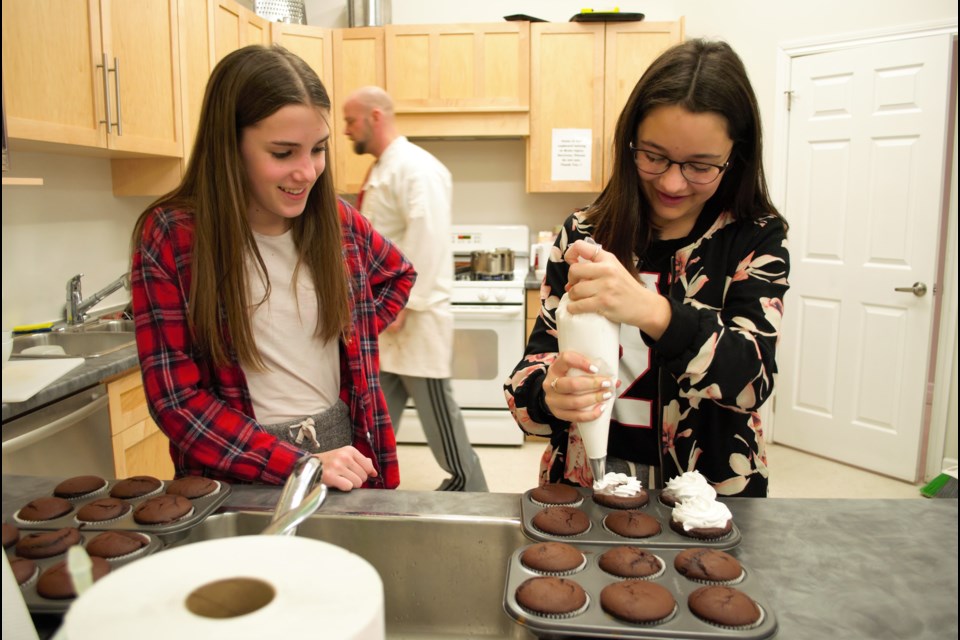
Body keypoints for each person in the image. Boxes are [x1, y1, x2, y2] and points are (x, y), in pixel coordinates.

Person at [504, 39, 790, 497]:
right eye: (653, 156)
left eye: (700, 166)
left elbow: (750, 382)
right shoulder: (583, 233)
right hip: (585, 482)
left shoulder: (755, 237)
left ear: (735, 157)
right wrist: (547, 394)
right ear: (629, 142)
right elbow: (529, 380)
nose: (673, 182)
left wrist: (653, 312)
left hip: (712, 490)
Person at [130, 45, 416, 492]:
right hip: (236, 469)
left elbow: (398, 274)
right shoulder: (174, 234)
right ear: (230, 145)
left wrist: (350, 338)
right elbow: (176, 401)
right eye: (283, 153)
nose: (307, 172)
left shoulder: (336, 223)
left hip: (342, 453)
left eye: (318, 149)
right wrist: (293, 462)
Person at [342, 86, 489, 492]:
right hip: (387, 320)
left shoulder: (416, 168)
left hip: (413, 317)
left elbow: (429, 239)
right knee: (372, 418)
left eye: (350, 120)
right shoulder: (385, 169)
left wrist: (401, 305)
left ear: (375, 116)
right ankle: (365, 490)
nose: (345, 130)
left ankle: (473, 495)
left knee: (442, 421)